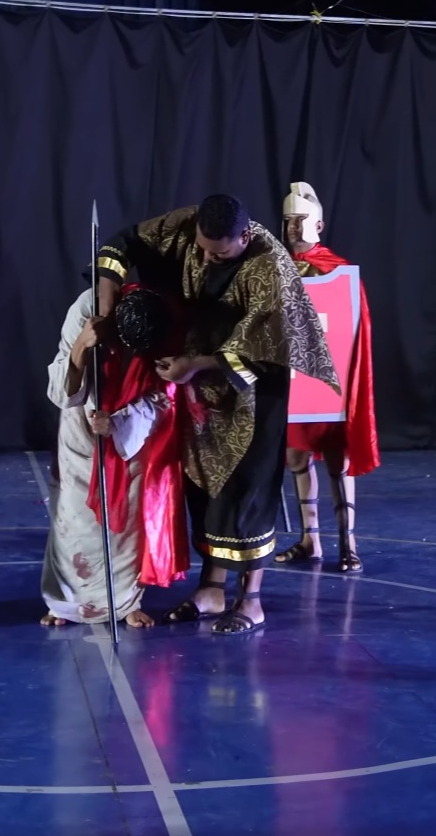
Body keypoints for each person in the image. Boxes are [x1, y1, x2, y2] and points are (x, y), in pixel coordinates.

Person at [95, 194, 337, 636]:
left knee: (246, 493)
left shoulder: (269, 267)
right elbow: (121, 243)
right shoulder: (186, 227)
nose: (207, 259)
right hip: (202, 394)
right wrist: (107, 310)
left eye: (219, 254)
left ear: (243, 237)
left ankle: (251, 600)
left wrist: (195, 364)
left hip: (254, 393)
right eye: (203, 249)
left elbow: (269, 348)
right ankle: (211, 589)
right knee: (206, 490)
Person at [41, 285, 188, 628]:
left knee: (127, 522)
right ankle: (66, 604)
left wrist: (120, 422)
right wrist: (82, 345)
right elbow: (62, 388)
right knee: (74, 517)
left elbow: (166, 396)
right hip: (81, 422)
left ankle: (124, 602)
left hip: (131, 431)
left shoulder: (165, 320)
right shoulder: (86, 310)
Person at [276, 182, 379, 574]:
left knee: (339, 461)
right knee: (296, 457)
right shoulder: (276, 269)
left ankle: (348, 544)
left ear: (318, 225)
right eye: (288, 220)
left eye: (300, 219)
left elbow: (353, 329)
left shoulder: (336, 271)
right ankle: (310, 540)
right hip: (296, 383)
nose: (293, 227)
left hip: (331, 385)